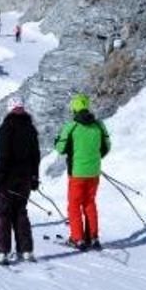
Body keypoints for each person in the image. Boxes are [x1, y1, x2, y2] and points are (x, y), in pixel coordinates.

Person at [53, 93, 110, 250]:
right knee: (89, 203)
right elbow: (106, 147)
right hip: (94, 172)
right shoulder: (98, 125)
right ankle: (93, 237)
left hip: (77, 173)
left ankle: (77, 238)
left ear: (74, 108)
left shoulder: (72, 127)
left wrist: (57, 141)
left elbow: (60, 149)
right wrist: (94, 159)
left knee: (74, 205)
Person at [0, 96, 40, 264]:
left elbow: (3, 155)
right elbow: (36, 156)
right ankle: (25, 250)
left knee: (2, 213)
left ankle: (1, 251)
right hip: (25, 178)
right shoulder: (30, 128)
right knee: (20, 212)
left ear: (10, 109)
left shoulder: (6, 127)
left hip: (8, 178)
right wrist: (35, 176)